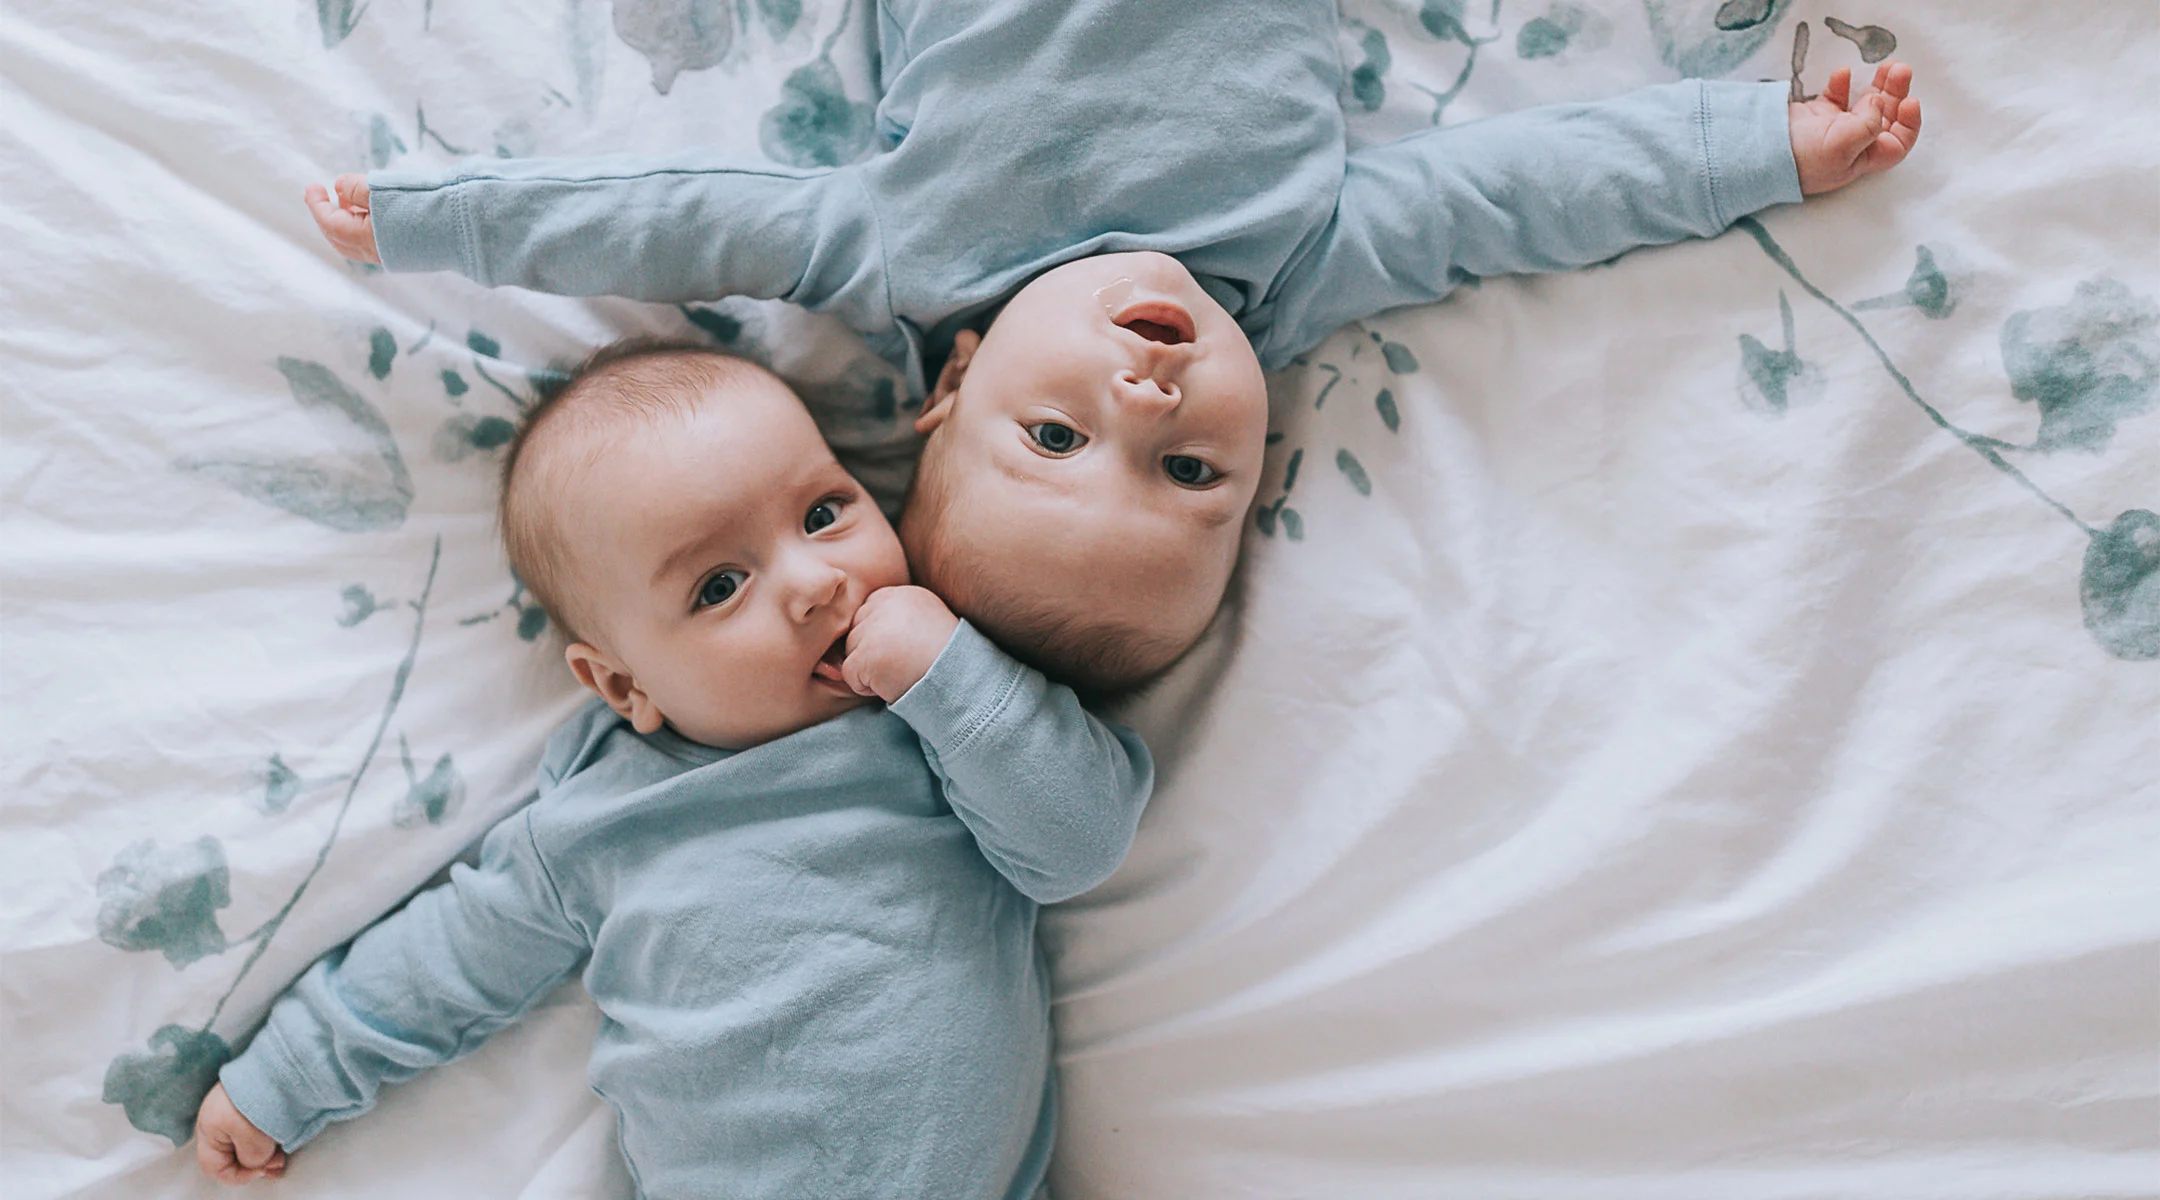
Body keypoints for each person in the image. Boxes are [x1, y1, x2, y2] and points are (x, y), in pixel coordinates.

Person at [306, 3, 1921, 695]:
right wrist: (1766, 145)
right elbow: (1538, 191)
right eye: (1192, 466)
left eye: (1056, 441)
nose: (1145, 397)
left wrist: (439, 216)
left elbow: (665, 221)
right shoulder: (1295, 268)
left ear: (947, 390)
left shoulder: (904, 253)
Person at [192, 346, 1154, 1199]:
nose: (817, 582)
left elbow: (1080, 842)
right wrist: (287, 1078)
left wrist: (947, 674)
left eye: (824, 512)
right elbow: (445, 960)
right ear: (624, 684)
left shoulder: (944, 725)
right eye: (720, 586)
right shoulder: (603, 820)